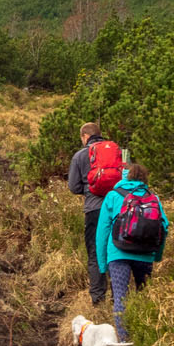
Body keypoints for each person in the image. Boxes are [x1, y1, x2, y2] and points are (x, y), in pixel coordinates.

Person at [95, 162, 167, 343]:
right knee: (143, 295)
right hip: (145, 254)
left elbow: (102, 232)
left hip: (118, 253)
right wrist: (156, 256)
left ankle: (125, 341)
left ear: (125, 177)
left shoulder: (112, 196)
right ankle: (143, 338)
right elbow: (164, 227)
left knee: (120, 296)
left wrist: (102, 265)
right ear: (144, 179)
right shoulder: (153, 198)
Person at [66, 121, 125, 308]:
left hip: (94, 210)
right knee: (116, 251)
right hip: (117, 209)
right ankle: (119, 298)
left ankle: (98, 300)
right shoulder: (116, 152)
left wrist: (88, 188)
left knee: (95, 253)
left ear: (85, 137)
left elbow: (73, 187)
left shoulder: (80, 155)